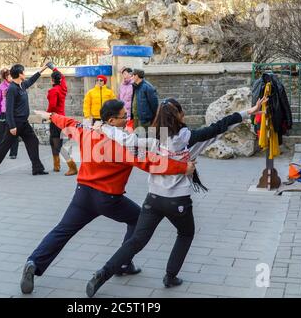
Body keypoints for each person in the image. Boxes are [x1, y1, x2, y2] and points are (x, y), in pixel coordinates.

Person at [85, 96, 267, 297]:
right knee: (186, 234)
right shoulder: (191, 140)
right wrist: (247, 112)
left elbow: (127, 139)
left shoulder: (154, 140)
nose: (185, 115)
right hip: (178, 201)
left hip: (153, 198)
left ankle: (103, 273)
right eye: (182, 112)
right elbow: (219, 128)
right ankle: (170, 276)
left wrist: (103, 128)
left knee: (137, 239)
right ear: (178, 116)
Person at [19, 100, 197, 295]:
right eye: (124, 117)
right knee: (138, 219)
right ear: (112, 120)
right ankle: (123, 264)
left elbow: (69, 123)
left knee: (62, 230)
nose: (127, 119)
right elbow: (152, 163)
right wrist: (183, 168)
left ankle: (33, 263)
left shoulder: (87, 131)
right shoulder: (124, 146)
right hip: (109, 199)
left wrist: (50, 115)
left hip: (83, 195)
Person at [0, 64, 49, 176]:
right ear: (20, 74)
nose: (25, 74)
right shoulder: (12, 89)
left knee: (33, 141)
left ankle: (37, 168)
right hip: (15, 124)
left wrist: (42, 69)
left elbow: (32, 80)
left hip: (24, 123)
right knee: (4, 146)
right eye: (24, 72)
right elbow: (9, 110)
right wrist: (12, 126)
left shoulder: (22, 85)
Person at [46, 63, 78, 176]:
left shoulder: (53, 91)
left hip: (55, 119)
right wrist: (53, 67)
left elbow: (52, 106)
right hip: (62, 118)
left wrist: (46, 114)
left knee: (56, 143)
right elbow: (63, 77)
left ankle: (70, 166)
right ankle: (57, 165)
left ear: (52, 79)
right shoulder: (63, 87)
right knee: (55, 142)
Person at [0, 68, 19, 159]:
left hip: (14, 113)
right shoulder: (1, 86)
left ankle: (13, 153)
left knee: (14, 133)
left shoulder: (16, 85)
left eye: (11, 75)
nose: (10, 77)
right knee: (1, 134)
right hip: (4, 112)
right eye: (8, 76)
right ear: (5, 77)